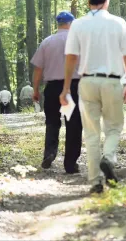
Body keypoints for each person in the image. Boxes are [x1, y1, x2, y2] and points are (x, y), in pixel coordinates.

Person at [61, 0, 126, 194]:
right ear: (107, 1)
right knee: (113, 127)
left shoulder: (78, 25)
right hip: (112, 81)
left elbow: (71, 58)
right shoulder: (118, 23)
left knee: (92, 133)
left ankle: (95, 181)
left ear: (88, 2)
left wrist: (66, 87)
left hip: (87, 82)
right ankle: (109, 157)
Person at [31, 11, 83, 174]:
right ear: (71, 23)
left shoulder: (47, 42)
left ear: (58, 23)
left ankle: (50, 153)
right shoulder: (78, 41)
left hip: (53, 88)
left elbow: (38, 69)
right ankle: (70, 163)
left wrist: (36, 90)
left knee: (52, 121)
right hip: (72, 87)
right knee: (73, 124)